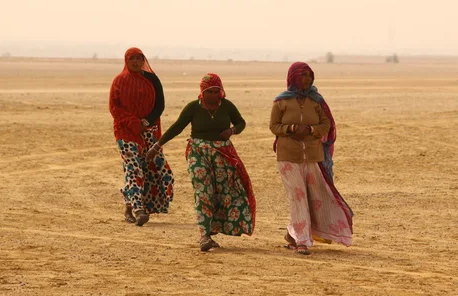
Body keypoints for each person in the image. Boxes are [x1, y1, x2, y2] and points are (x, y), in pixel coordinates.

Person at [146, 73, 256, 251]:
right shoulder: (193, 108)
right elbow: (177, 127)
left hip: (222, 153)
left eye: (216, 91)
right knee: (203, 191)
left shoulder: (227, 106)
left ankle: (213, 229)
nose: (214, 95)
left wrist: (232, 130)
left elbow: (241, 123)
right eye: (210, 92)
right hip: (198, 152)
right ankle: (204, 235)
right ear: (202, 92)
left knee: (225, 192)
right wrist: (157, 146)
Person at [270, 62, 353, 255]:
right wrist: (290, 129)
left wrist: (311, 131)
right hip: (288, 157)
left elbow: (327, 125)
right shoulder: (281, 102)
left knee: (314, 197)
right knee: (297, 197)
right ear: (293, 77)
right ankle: (302, 241)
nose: (307, 79)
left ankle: (293, 235)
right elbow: (274, 126)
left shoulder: (317, 101)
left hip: (313, 156)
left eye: (309, 75)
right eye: (303, 75)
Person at [109, 47, 174, 226]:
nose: (136, 62)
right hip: (125, 131)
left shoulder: (152, 79)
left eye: (139, 58)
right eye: (132, 59)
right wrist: (132, 122)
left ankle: (129, 205)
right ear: (126, 61)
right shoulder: (119, 81)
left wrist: (145, 122)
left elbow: (160, 105)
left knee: (159, 170)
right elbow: (115, 108)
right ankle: (138, 210)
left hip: (149, 131)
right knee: (134, 169)